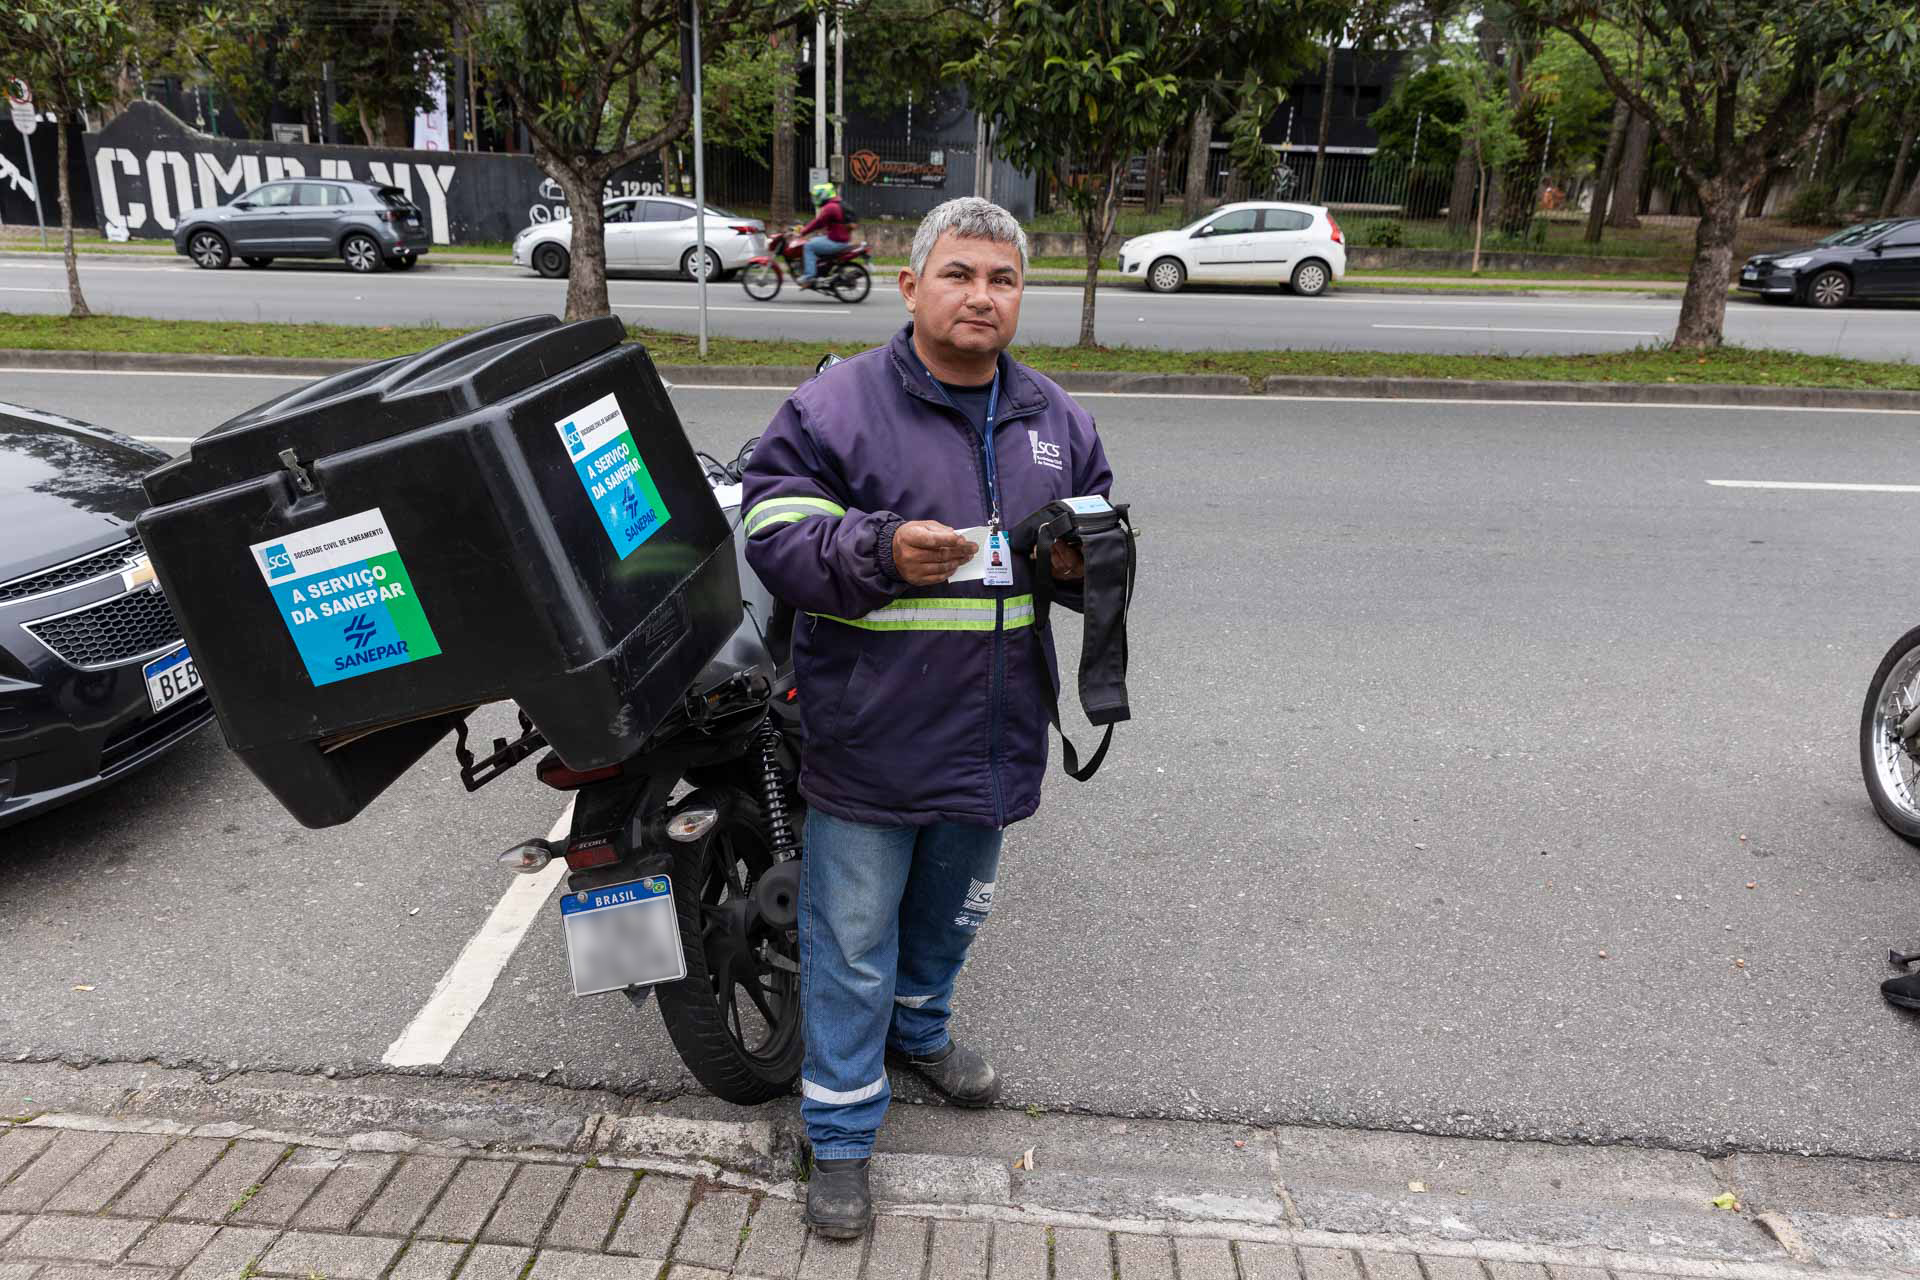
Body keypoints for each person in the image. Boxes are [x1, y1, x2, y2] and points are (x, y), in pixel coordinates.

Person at [741, 196, 1114, 1239]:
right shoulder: (835, 406)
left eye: (1001, 280)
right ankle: (843, 1135)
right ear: (911, 286)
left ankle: (921, 1030)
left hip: (993, 734)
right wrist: (876, 552)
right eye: (959, 275)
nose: (980, 297)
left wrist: (1089, 564)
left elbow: (1097, 537)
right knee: (851, 938)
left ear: (1019, 297)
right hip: (869, 737)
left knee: (949, 916)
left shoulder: (1056, 420)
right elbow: (772, 526)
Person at [796, 182, 853, 287]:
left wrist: (803, 232)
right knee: (815, 240)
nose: (816, 199)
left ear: (824, 195)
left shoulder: (830, 207)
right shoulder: (835, 204)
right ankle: (819, 269)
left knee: (808, 246)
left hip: (836, 241)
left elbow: (818, 222)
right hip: (839, 238)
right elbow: (822, 223)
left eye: (817, 196)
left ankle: (809, 277)